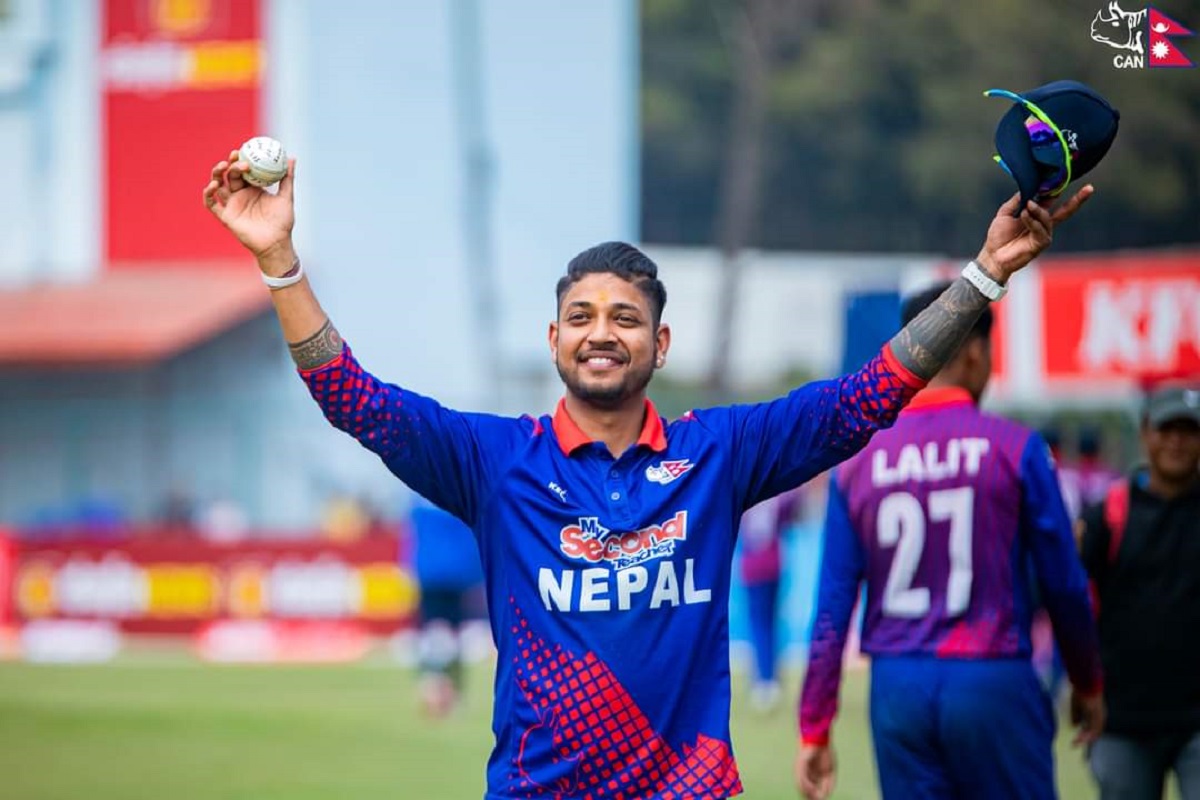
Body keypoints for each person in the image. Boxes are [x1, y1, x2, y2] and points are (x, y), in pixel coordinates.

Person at [203, 149, 1091, 799]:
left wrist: (984, 276)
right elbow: (350, 396)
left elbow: (868, 395)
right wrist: (279, 261)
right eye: (581, 316)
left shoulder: (718, 453)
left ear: (660, 344)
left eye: (625, 318)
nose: (602, 332)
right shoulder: (494, 461)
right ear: (554, 339)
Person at [797, 282, 1106, 800]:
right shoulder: (1016, 448)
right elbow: (1065, 585)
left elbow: (832, 608)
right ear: (976, 353)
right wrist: (1087, 679)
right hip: (991, 676)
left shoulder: (857, 464)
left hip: (897, 691)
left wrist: (814, 726)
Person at [1080, 384, 1200, 800]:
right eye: (1167, 429)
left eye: (1188, 431)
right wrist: (1083, 682)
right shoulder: (1109, 515)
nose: (1177, 441)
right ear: (1147, 433)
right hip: (1122, 719)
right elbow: (1071, 599)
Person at [408, 493, 487, 717]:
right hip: (461, 573)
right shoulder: (461, 494)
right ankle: (448, 692)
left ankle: (433, 689)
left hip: (430, 572)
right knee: (453, 637)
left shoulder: (418, 500)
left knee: (435, 633)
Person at [736, 487, 802, 712]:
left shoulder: (746, 496)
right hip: (774, 564)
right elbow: (793, 512)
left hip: (754, 567)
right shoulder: (777, 498)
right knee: (770, 622)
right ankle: (770, 675)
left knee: (759, 624)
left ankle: (764, 679)